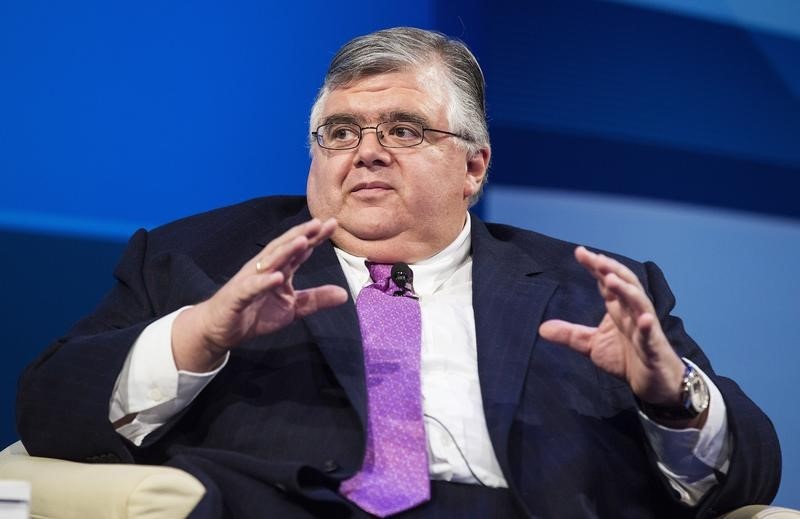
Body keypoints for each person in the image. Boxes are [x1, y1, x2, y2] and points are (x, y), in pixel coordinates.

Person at [16, 27, 780, 518]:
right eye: (340, 130)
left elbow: (754, 472)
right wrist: (199, 334)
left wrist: (670, 395)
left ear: (473, 166)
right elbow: (47, 411)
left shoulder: (590, 287)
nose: (367, 151)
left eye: (405, 129)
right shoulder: (201, 260)